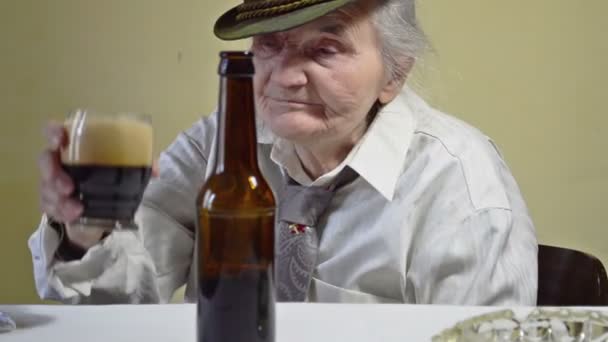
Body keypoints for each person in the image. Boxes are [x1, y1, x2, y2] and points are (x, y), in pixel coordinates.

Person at [30, 0, 538, 305]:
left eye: (325, 49)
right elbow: (119, 309)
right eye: (270, 43)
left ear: (395, 73)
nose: (286, 76)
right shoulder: (222, 143)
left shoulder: (458, 186)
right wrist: (86, 228)